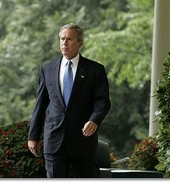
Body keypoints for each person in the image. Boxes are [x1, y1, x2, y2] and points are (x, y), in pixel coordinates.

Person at [28, 23, 111, 178]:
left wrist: (94, 120)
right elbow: (40, 104)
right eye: (62, 39)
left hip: (83, 141)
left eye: (69, 39)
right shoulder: (47, 69)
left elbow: (103, 101)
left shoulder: (95, 70)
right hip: (54, 140)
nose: (64, 43)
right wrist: (33, 136)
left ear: (80, 42)